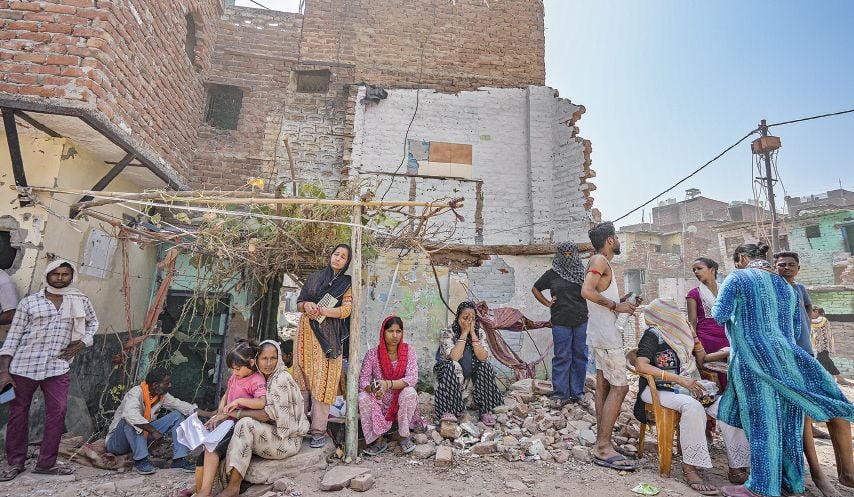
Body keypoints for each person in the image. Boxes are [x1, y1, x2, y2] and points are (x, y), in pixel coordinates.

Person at [713, 243, 854, 497]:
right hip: (787, 361)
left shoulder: (737, 277)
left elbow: (720, 314)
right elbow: (795, 328)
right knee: (788, 424)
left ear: (742, 258)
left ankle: (761, 487)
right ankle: (792, 483)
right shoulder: (787, 287)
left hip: (752, 360)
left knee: (761, 422)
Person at [633, 299, 750, 495]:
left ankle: (737, 466)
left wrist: (724, 353)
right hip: (658, 389)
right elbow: (640, 365)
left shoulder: (686, 333)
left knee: (728, 406)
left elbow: (701, 360)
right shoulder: (652, 335)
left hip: (688, 386)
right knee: (692, 407)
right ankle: (690, 468)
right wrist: (677, 379)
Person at [0, 260, 98, 481]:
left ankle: (46, 463)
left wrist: (82, 343)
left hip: (57, 365)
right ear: (47, 275)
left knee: (58, 411)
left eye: (65, 274)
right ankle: (15, 463)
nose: (60, 278)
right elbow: (13, 336)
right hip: (23, 365)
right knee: (18, 413)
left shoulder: (80, 300)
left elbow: (93, 323)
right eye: (55, 274)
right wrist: (4, 371)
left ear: (71, 277)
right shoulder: (30, 302)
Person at [774, 251, 854, 497]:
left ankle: (847, 474)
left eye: (790, 265)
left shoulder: (799, 290)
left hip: (806, 355)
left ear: (798, 268)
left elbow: (807, 306)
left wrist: (805, 325)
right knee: (803, 414)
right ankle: (819, 476)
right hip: (785, 357)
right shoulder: (773, 290)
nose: (786, 268)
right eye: (781, 265)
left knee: (839, 409)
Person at [195, 340, 310, 497]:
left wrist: (234, 413)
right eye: (264, 358)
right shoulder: (259, 376)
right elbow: (229, 392)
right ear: (255, 359)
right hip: (270, 432)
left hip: (287, 439)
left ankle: (233, 487)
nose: (268, 363)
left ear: (280, 358)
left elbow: (265, 414)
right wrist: (222, 412)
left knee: (244, 424)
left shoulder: (281, 379)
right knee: (220, 437)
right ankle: (203, 488)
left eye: (273, 358)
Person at [580, 221, 638, 471]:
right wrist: (617, 306)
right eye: (617, 238)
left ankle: (603, 442)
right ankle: (603, 448)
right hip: (606, 336)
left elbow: (597, 293)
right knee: (621, 388)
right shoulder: (599, 261)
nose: (618, 242)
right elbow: (587, 291)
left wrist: (621, 301)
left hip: (602, 332)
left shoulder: (600, 263)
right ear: (611, 240)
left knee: (604, 384)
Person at [293, 244, 353, 448]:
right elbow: (299, 302)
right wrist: (306, 306)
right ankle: (298, 428)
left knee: (324, 381)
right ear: (330, 255)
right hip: (306, 335)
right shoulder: (314, 277)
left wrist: (322, 311)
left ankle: (318, 430)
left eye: (343, 257)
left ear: (347, 262)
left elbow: (346, 311)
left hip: (329, 336)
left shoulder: (346, 283)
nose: (338, 258)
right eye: (336, 254)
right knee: (303, 380)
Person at [195, 340, 268, 497]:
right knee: (203, 452)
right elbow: (227, 393)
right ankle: (200, 489)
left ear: (251, 362)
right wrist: (220, 411)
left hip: (238, 424)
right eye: (233, 369)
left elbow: (261, 402)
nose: (234, 372)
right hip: (226, 421)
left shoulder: (257, 380)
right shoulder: (235, 377)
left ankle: (205, 492)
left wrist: (239, 402)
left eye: (237, 369)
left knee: (212, 447)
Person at [105, 367, 211, 474]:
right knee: (129, 420)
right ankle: (141, 461)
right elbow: (131, 416)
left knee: (177, 415)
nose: (169, 385)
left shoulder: (160, 396)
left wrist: (210, 414)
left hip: (141, 437)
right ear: (155, 385)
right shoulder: (136, 393)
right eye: (166, 383)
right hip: (117, 444)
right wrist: (153, 431)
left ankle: (179, 460)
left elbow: (182, 406)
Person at [532, 241, 589, 408]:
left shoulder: (583, 274)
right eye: (564, 254)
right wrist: (548, 303)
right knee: (562, 356)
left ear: (576, 255)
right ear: (559, 255)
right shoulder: (552, 274)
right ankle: (560, 394)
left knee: (580, 356)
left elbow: (592, 291)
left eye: (571, 254)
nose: (568, 257)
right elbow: (535, 289)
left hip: (581, 320)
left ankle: (577, 393)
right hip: (560, 321)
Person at [359, 316, 425, 456]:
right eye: (390, 331)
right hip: (380, 399)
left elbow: (412, 378)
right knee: (363, 397)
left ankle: (403, 435)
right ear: (383, 332)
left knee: (410, 392)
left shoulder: (409, 351)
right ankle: (377, 440)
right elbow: (363, 381)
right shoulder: (372, 354)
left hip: (399, 398)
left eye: (398, 331)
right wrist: (373, 389)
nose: (395, 335)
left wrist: (387, 384)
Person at [434, 301, 503, 426]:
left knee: (485, 366)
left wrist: (473, 334)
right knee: (451, 365)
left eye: (472, 318)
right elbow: (454, 356)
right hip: (451, 379)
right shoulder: (447, 332)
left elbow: (483, 357)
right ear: (458, 318)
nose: (469, 322)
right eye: (465, 318)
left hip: (471, 383)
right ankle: (448, 410)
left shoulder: (479, 332)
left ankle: (485, 409)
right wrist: (465, 333)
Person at [686, 257, 729, 391]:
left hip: (727, 336)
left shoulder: (726, 290)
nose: (696, 272)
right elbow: (692, 321)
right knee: (714, 375)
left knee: (730, 372)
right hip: (706, 339)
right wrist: (693, 344)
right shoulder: (694, 294)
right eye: (694, 270)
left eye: (699, 268)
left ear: (712, 270)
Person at [811, 307, 850, 386]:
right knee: (825, 361)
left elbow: (815, 323)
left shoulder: (822, 319)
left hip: (824, 345)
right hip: (821, 346)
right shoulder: (820, 319)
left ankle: (823, 379)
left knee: (821, 361)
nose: (810, 314)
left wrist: (804, 317)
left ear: (816, 311)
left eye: (811, 312)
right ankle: (838, 378)